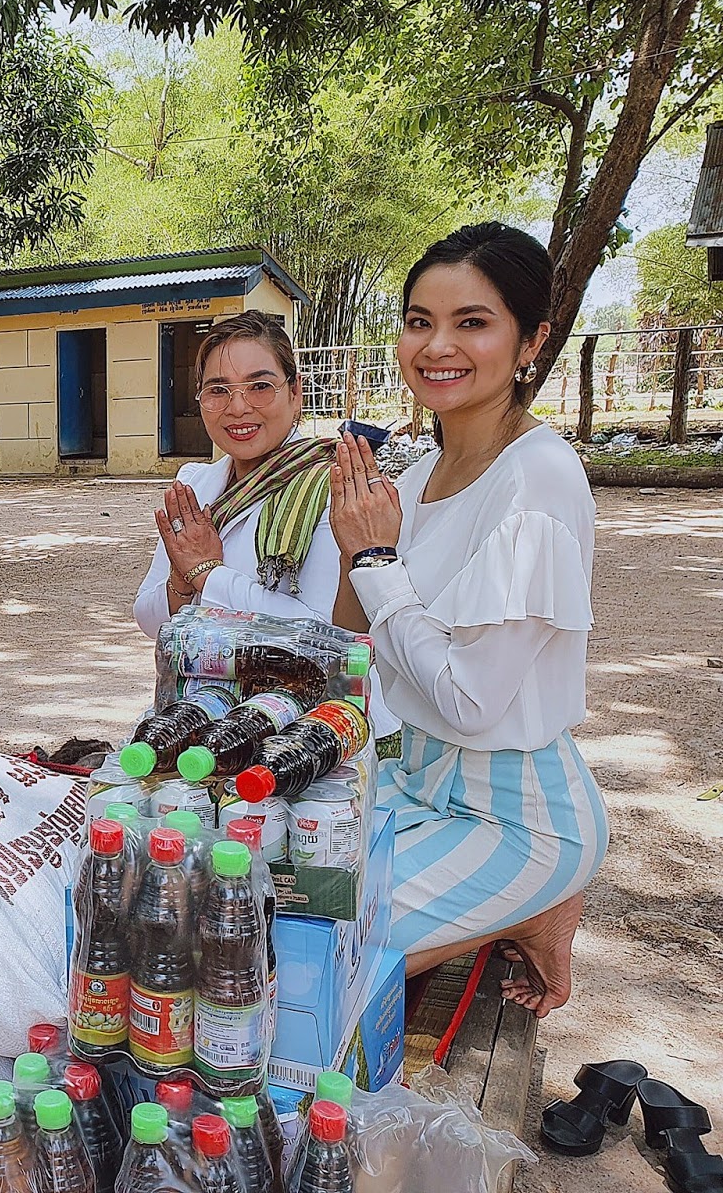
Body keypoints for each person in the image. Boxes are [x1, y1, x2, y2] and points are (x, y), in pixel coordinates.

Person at [331, 222, 606, 1018]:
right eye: (420, 321)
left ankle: (535, 902)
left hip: (516, 818)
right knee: (252, 889)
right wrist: (353, 541)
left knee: (308, 961)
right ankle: (512, 916)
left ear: (533, 341)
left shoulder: (537, 480)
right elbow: (353, 645)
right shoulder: (422, 473)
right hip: (415, 785)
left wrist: (378, 560)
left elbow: (470, 701)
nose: (437, 346)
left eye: (472, 322)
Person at [132, 310, 397, 740]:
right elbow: (149, 621)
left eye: (260, 386)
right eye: (218, 390)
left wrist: (207, 575)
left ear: (295, 392)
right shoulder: (196, 484)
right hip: (201, 714)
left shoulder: (333, 488)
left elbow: (325, 638)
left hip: (307, 728)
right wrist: (181, 580)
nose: (238, 407)